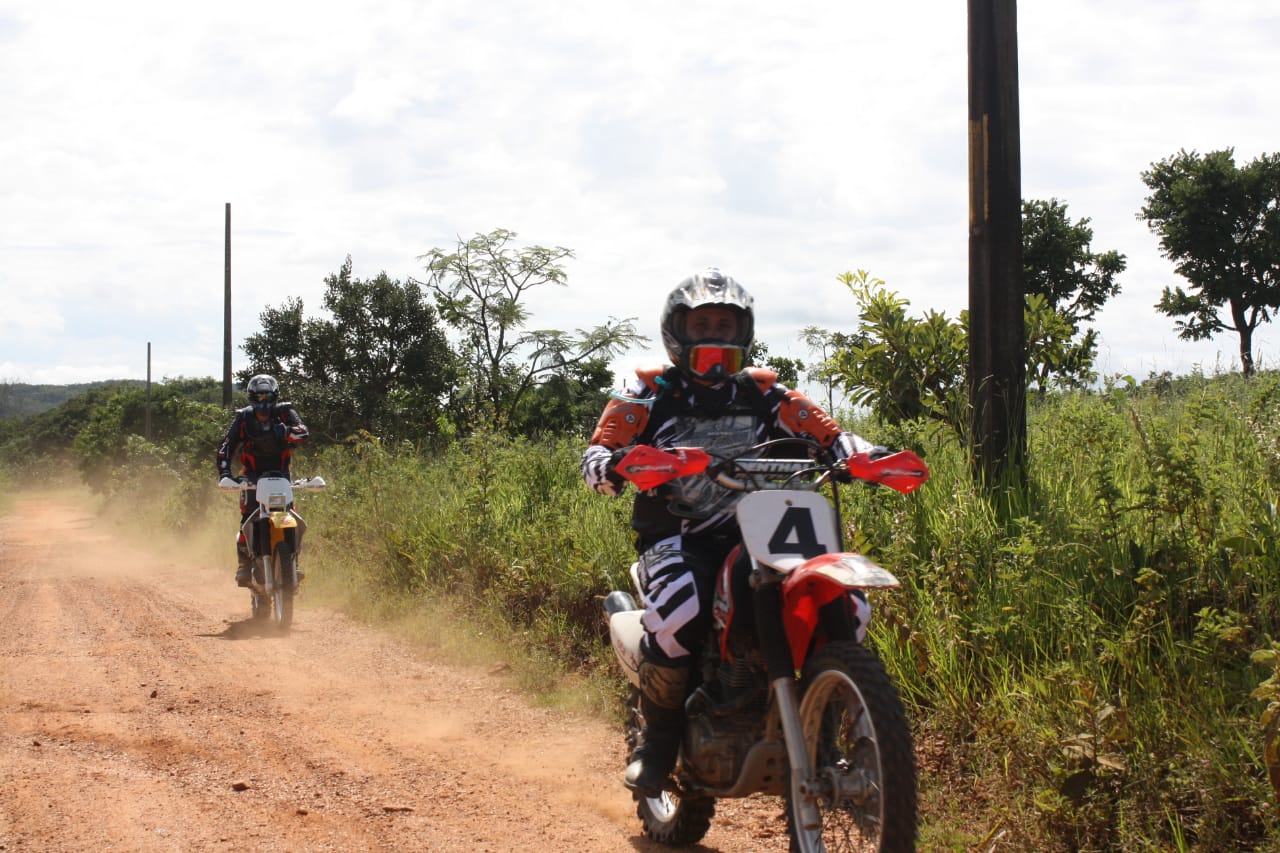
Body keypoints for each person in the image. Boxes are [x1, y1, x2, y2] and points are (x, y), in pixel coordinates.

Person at [581, 267, 887, 796]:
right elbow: (597, 454)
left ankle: (826, 732)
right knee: (682, 613)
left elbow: (830, 435)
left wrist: (868, 458)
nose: (716, 337)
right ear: (678, 331)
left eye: (726, 325)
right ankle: (658, 744)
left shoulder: (766, 392)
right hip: (681, 537)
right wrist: (619, 465)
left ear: (742, 333)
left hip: (766, 536)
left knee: (850, 607)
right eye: (704, 325)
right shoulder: (650, 391)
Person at [216, 374, 309, 587]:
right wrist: (225, 474)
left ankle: (292, 563)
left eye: (268, 397)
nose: (263, 402)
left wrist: (286, 431)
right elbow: (226, 446)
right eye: (259, 397)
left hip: (281, 475)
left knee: (290, 516)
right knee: (248, 516)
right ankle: (244, 564)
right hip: (252, 477)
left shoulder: (285, 413)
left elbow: (303, 434)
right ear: (251, 398)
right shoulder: (243, 419)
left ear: (275, 397)